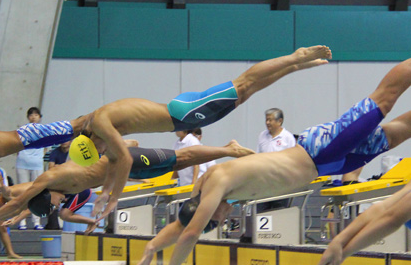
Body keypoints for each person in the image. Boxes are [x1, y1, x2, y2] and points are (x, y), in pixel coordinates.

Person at [137, 30, 411, 265]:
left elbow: (191, 231)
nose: (223, 220)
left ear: (207, 209)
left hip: (320, 150)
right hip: (328, 165)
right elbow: (183, 222)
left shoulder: (215, 186)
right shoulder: (209, 196)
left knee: (384, 98)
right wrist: (153, 245)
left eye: (216, 219)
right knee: (395, 134)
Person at [71, 46, 332, 221]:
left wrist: (114, 199)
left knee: (242, 84)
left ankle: (296, 56)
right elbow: (116, 162)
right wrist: (104, 194)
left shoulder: (102, 123)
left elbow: (125, 160)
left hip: (183, 113)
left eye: (98, 153)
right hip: (180, 114)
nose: (103, 154)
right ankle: (292, 68)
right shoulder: (101, 130)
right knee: (244, 94)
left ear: (92, 144)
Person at [0, 141, 254, 235]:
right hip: (123, 171)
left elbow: (17, 201)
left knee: (182, 158)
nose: (58, 204)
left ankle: (229, 149)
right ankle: (226, 151)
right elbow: (22, 203)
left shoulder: (50, 178)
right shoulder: (52, 188)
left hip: (123, 159)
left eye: (52, 204)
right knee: (176, 165)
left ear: (47, 195)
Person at [15, 107, 46, 230]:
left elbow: (47, 146)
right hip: (23, 163)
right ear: (28, 117)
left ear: (39, 117)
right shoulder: (22, 129)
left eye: (36, 115)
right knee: (22, 193)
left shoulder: (44, 130)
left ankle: (36, 222)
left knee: (37, 192)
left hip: (37, 164)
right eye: (31, 115)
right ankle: (21, 222)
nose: (33, 117)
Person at [44, 140, 71, 229]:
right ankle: (53, 223)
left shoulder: (74, 153)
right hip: (58, 181)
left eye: (66, 140)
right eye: (62, 140)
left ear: (71, 141)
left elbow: (75, 168)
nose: (64, 142)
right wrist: (64, 167)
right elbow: (51, 168)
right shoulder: (55, 152)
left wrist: (58, 166)